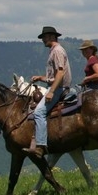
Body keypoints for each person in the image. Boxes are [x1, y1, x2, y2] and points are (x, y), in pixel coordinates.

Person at [23, 26, 72, 155]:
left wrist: (51, 92)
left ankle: (41, 146)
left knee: (39, 112)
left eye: (44, 37)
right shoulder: (53, 51)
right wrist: (41, 78)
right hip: (56, 86)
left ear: (51, 36)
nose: (43, 40)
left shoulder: (57, 51)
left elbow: (60, 73)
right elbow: (54, 76)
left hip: (58, 88)